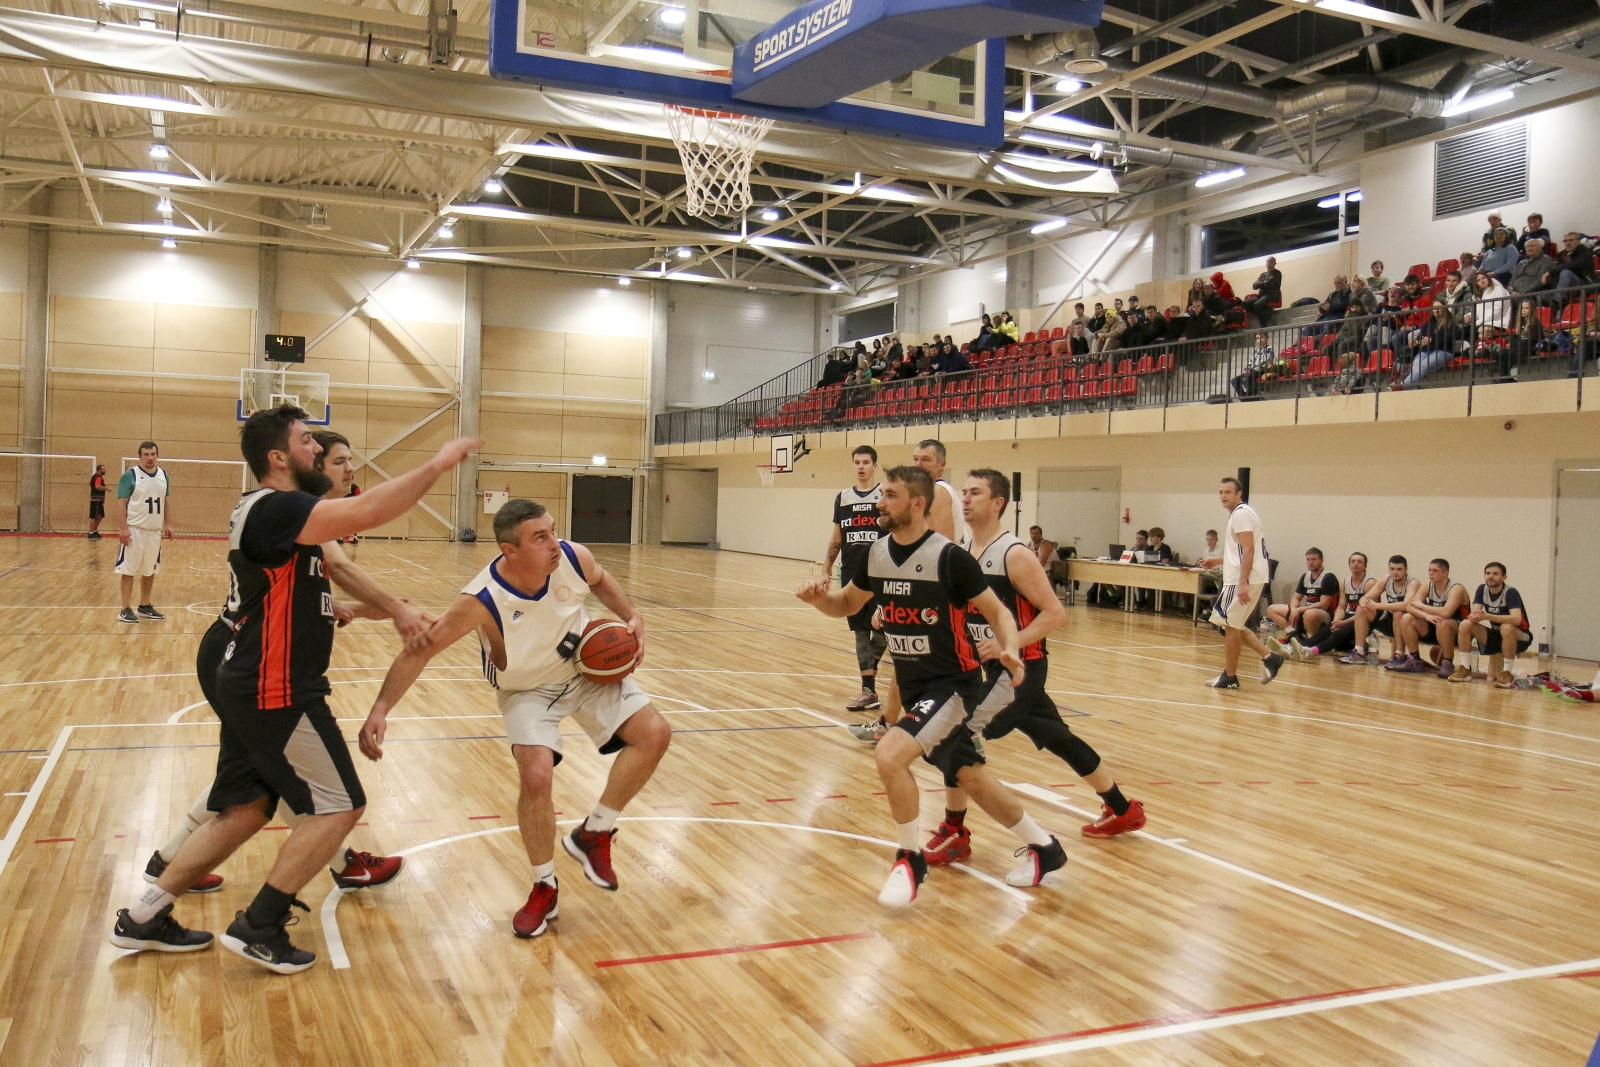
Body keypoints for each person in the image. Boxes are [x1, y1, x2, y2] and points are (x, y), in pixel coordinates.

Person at [109, 406, 478, 970]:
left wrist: (356, 610)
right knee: (339, 806)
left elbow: (299, 588)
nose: (317, 450)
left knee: (247, 808)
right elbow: (372, 507)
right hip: (274, 686)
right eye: (307, 441)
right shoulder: (277, 506)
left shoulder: (285, 515)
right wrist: (437, 464)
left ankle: (143, 916)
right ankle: (260, 925)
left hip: (252, 677)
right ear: (278, 458)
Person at [359, 498, 672, 939]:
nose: (553, 543)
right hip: (526, 691)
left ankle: (593, 833)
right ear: (510, 550)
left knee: (654, 734)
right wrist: (381, 708)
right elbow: (423, 649)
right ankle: (544, 885)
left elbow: (600, 579)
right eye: (540, 537)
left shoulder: (573, 557)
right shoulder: (481, 599)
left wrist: (631, 614)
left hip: (583, 669)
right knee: (537, 775)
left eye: (553, 530)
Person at [143, 429, 421, 900]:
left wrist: (342, 609)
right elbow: (340, 569)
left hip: (238, 647)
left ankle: (167, 862)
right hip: (240, 651)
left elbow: (302, 587)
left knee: (255, 777)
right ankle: (339, 862)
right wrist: (397, 608)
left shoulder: (294, 513)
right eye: (335, 461)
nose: (345, 469)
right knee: (272, 777)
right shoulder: (296, 511)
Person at [795, 465, 1067, 902]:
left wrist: (1010, 646)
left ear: (917, 503)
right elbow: (847, 603)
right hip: (915, 686)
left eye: (889, 496)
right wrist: (818, 601)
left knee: (889, 754)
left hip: (953, 686)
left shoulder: (949, 558)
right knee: (971, 778)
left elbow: (998, 612)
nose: (879, 504)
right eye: (880, 495)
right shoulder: (876, 554)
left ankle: (910, 858)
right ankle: (1046, 848)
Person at [924, 470, 1145, 867]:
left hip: (1019, 670)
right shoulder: (965, 551)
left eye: (976, 493)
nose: (966, 500)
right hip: (985, 669)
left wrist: (1010, 643)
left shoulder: (1014, 554)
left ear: (998, 503)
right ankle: (1121, 807)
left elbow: (1055, 613)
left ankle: (955, 831)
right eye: (964, 493)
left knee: (954, 734)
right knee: (1058, 737)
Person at [1199, 478, 1282, 688]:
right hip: (1246, 577)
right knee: (1233, 624)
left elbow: (1249, 550)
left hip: (1243, 579)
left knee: (1229, 624)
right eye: (1220, 492)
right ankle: (1269, 658)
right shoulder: (1242, 513)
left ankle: (1231, 675)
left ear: (1239, 494)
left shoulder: (1241, 514)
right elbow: (1240, 551)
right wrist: (1216, 560)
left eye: (1228, 492)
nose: (1223, 496)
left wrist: (1243, 581)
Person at [823, 445, 888, 713]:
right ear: (852, 466)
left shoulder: (885, 495)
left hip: (883, 573)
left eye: (866, 462)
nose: (861, 466)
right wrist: (827, 567)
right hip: (852, 574)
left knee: (885, 631)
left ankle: (871, 678)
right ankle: (868, 690)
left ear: (874, 466)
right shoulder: (843, 498)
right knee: (861, 632)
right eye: (857, 462)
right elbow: (837, 536)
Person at [115, 442, 173, 624]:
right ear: (140, 456)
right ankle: (125, 609)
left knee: (150, 569)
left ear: (157, 455)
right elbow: (121, 503)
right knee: (129, 570)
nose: (150, 457)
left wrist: (168, 524)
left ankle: (145, 605)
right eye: (146, 454)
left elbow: (166, 501)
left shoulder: (163, 475)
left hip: (154, 531)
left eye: (153, 454)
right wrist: (123, 528)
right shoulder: (130, 475)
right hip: (134, 530)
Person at [1451, 562, 1530, 688]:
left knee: (1506, 627)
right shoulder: (1482, 589)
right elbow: (1476, 612)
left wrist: (1487, 616)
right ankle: (1465, 668)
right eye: (1488, 573)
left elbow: (1516, 619)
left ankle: (1507, 672)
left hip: (1520, 635)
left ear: (1504, 577)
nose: (1490, 576)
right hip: (1497, 634)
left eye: (1495, 574)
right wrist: (1474, 616)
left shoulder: (1510, 592)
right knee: (1466, 624)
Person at [1288, 552, 1376, 660]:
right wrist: (1336, 621)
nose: (1356, 564)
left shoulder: (1370, 583)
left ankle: (1311, 651)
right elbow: (1341, 607)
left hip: (1365, 619)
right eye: (1353, 561)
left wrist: (1343, 623)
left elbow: (1369, 610)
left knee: (1338, 635)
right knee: (1325, 632)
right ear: (1349, 565)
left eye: (1359, 562)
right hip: (1349, 616)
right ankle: (1294, 647)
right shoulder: (1344, 582)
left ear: (1365, 566)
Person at [1392, 558, 1469, 677]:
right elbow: (1410, 607)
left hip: (1458, 631)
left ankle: (1447, 663)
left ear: (1445, 573)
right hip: (1434, 625)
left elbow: (1446, 612)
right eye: (1429, 570)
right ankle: (1415, 659)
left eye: (1435, 571)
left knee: (1443, 622)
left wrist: (1422, 606)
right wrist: (1426, 616)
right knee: (1407, 618)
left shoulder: (1456, 588)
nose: (1431, 573)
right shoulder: (1427, 586)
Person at [1341, 555, 1419, 665]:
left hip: (1409, 624)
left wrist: (1377, 606)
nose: (1395, 572)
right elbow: (1365, 597)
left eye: (1399, 569)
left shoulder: (1413, 583)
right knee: (1361, 609)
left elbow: (1405, 606)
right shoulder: (1386, 579)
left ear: (1406, 570)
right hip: (1389, 620)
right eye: (1392, 569)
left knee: (1399, 613)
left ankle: (1399, 655)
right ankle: (1359, 652)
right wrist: (1363, 602)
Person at [1266, 548, 1338, 651]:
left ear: (1321, 560)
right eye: (1308, 559)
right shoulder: (1305, 576)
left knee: (1309, 614)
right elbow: (1296, 597)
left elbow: (1324, 604)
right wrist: (1294, 609)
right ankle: (1294, 635)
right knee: (1272, 609)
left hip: (1325, 615)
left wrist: (1300, 610)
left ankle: (1313, 643)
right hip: (1306, 610)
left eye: (1314, 559)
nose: (1310, 562)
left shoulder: (1328, 577)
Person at [1243, 257, 1282, 326]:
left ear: (1274, 263)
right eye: (1267, 261)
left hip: (1272, 295)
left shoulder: (1277, 273)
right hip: (1261, 295)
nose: (1269, 262)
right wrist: (1262, 283)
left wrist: (1260, 283)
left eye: (1271, 261)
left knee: (1256, 305)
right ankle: (1267, 314)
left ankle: (1264, 323)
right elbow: (1254, 286)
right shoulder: (1263, 275)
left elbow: (1270, 283)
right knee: (1244, 303)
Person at [88, 463, 107, 539]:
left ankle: (94, 531)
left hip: (96, 499)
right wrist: (106, 489)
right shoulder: (98, 477)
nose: (105, 470)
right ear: (99, 470)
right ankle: (92, 532)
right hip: (97, 500)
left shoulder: (94, 477)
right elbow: (97, 486)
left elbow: (90, 484)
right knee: (96, 516)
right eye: (103, 469)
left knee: (98, 516)